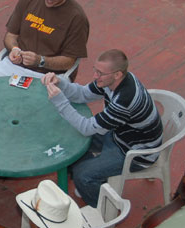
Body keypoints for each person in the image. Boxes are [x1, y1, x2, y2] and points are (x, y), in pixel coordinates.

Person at [42, 49, 163, 207]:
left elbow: (86, 128)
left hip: (134, 152)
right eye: (95, 70)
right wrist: (61, 82)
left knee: (82, 175)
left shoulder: (125, 100)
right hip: (120, 134)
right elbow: (83, 94)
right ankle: (94, 175)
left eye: (100, 73)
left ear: (117, 74)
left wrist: (60, 101)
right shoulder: (112, 81)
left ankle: (107, 209)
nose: (95, 76)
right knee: (72, 141)